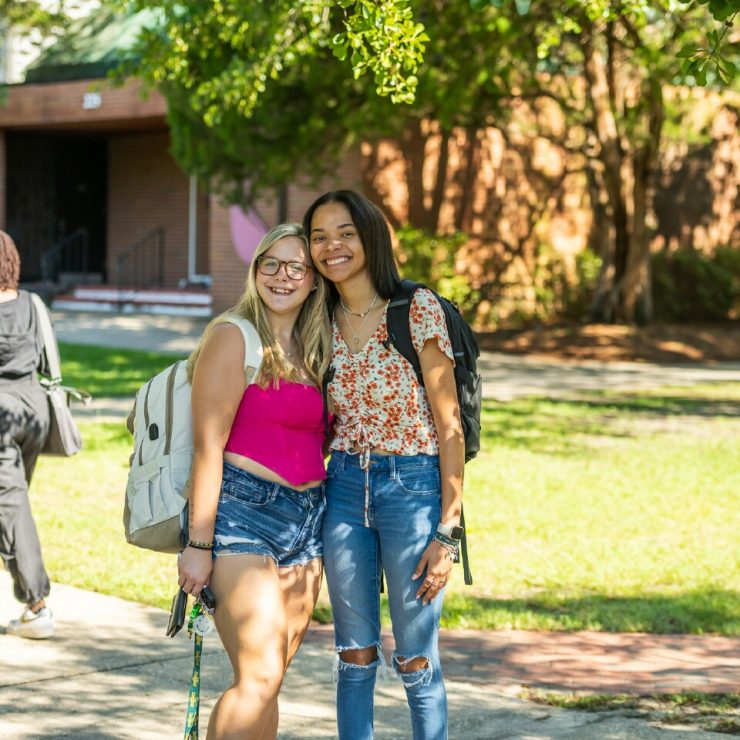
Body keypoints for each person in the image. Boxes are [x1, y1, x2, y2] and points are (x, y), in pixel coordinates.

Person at [303, 191, 464, 740]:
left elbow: (450, 428)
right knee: (354, 654)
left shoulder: (416, 308)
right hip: (344, 486)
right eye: (319, 237)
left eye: (344, 232)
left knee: (416, 657)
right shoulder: (318, 317)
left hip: (413, 488)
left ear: (370, 236)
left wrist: (449, 529)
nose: (332, 247)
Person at [177, 222, 332, 739]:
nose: (282, 276)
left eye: (296, 267)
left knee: (269, 680)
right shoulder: (232, 335)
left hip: (308, 523)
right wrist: (198, 544)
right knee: (259, 674)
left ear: (313, 280)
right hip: (241, 515)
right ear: (255, 270)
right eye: (271, 263)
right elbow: (207, 449)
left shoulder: (315, 349)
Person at [0, 230, 54, 639]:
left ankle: (37, 605)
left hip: (2, 413)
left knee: (11, 507)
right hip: (34, 411)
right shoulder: (33, 303)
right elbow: (51, 363)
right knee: (10, 503)